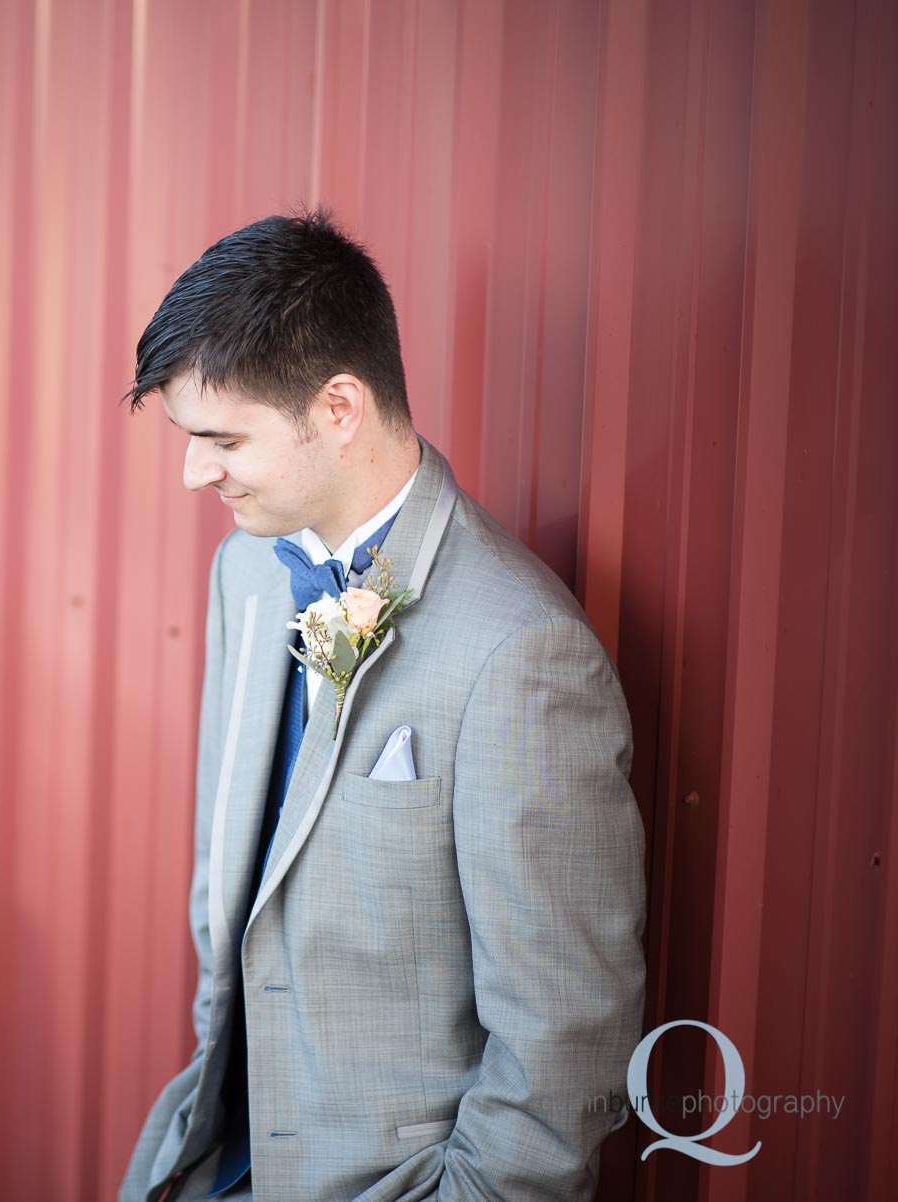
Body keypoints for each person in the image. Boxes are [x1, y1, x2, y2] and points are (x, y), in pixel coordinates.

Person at [117, 210, 647, 1201]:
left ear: (342, 408)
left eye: (222, 438)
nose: (196, 470)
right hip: (209, 1162)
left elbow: (565, 1034)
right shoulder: (246, 572)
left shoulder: (522, 655)